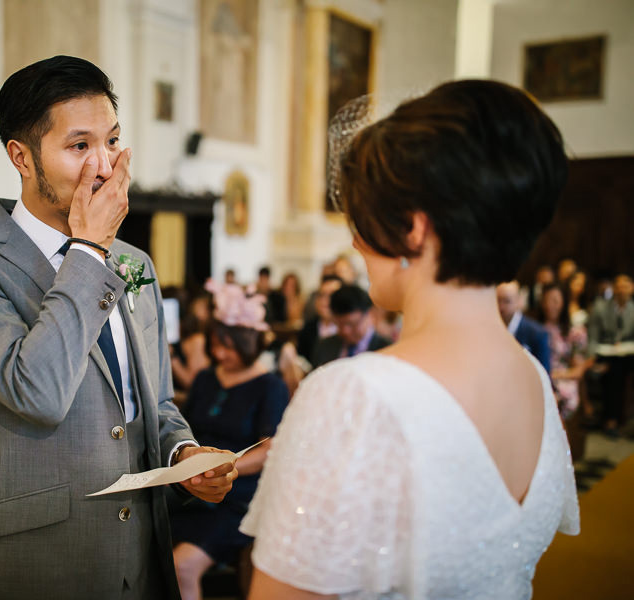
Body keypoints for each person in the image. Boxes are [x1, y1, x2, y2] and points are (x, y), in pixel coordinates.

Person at [241, 80, 578, 599]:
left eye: (364, 216)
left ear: (414, 229)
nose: (355, 239)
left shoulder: (357, 394)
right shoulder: (533, 377)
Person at [0, 55, 235, 599]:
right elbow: (35, 391)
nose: (105, 166)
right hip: (38, 561)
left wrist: (183, 455)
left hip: (143, 553)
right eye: (79, 146)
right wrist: (87, 251)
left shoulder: (135, 262)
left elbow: (152, 403)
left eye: (112, 141)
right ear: (21, 156)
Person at [170, 282, 289, 600]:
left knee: (182, 566)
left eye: (229, 347)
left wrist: (225, 466)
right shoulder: (207, 378)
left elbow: (269, 447)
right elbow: (185, 428)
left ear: (248, 344)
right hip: (190, 485)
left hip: (237, 495)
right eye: (216, 345)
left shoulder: (270, 386)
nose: (221, 353)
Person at [536, 283, 592, 419]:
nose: (550, 305)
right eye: (546, 300)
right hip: (538, 377)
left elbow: (577, 371)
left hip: (561, 378)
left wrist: (553, 375)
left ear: (563, 303)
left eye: (555, 300)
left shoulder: (574, 332)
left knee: (558, 396)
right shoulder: (535, 329)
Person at [587, 273, 634, 434]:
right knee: (614, 370)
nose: (622, 291)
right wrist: (591, 359)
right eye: (619, 287)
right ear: (613, 289)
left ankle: (616, 419)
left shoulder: (632, 309)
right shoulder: (600, 307)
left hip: (627, 354)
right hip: (605, 352)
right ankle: (612, 420)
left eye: (626, 287)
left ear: (632, 289)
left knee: (618, 367)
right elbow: (592, 337)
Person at [312, 284, 392, 368]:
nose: (345, 331)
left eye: (352, 324)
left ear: (370, 314)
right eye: (339, 324)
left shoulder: (387, 350)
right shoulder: (325, 346)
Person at [497, 280, 552, 374]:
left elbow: (544, 374)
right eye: (498, 300)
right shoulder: (491, 330)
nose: (501, 307)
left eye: (507, 301)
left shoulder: (537, 333)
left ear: (518, 300)